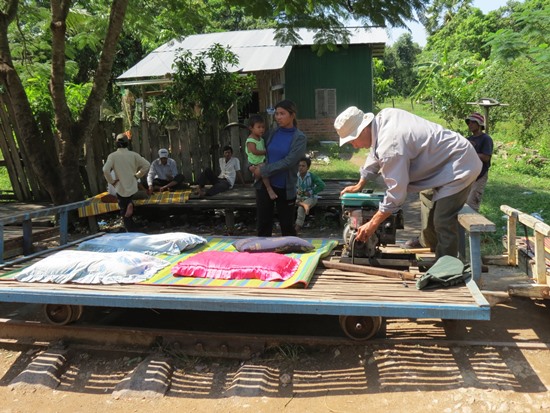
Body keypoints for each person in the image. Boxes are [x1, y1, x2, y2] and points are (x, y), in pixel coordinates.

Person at [335, 107, 482, 259]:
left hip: (460, 164)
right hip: (441, 162)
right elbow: (375, 153)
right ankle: (430, 245)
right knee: (427, 200)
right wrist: (360, 183)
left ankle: (447, 268)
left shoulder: (390, 146)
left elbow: (396, 194)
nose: (354, 145)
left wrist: (372, 224)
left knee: (442, 220)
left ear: (363, 129)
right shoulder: (383, 119)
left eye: (353, 140)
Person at [251, 100, 307, 236]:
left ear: (292, 115)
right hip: (265, 184)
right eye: (276, 114)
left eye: (282, 114)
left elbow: (288, 162)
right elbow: (260, 150)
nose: (278, 117)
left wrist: (263, 170)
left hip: (285, 187)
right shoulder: (273, 132)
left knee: (287, 227)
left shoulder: (299, 138)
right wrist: (254, 166)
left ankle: (290, 256)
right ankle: (263, 256)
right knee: (263, 226)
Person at [103, 133, 150, 231]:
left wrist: (112, 181)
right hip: (132, 184)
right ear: (127, 143)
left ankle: (129, 228)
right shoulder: (134, 155)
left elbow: (105, 170)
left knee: (123, 209)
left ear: (116, 143)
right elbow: (147, 165)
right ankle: (130, 204)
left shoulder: (113, 156)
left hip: (120, 185)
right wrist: (137, 175)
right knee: (131, 198)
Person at [464, 112, 493, 211]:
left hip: (480, 175)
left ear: (479, 124)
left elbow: (486, 157)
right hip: (468, 174)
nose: (470, 125)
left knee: (472, 203)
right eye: (468, 123)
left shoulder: (486, 139)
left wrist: (471, 152)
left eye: (472, 122)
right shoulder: (468, 139)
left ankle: (473, 225)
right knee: (463, 202)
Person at [246, 114, 277, 200]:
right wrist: (266, 151)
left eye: (263, 127)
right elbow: (254, 151)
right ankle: (269, 188)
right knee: (263, 170)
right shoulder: (250, 140)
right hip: (255, 162)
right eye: (258, 127)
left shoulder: (261, 139)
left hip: (261, 161)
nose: (262, 129)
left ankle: (258, 180)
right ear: (251, 128)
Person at [295, 156, 326, 233]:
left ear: (308, 167)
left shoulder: (311, 176)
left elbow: (322, 185)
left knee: (301, 209)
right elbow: (290, 186)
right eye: (299, 165)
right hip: (298, 197)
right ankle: (303, 204)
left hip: (310, 197)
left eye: (303, 166)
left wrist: (310, 192)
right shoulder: (295, 175)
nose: (300, 168)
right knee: (288, 201)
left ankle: (296, 229)